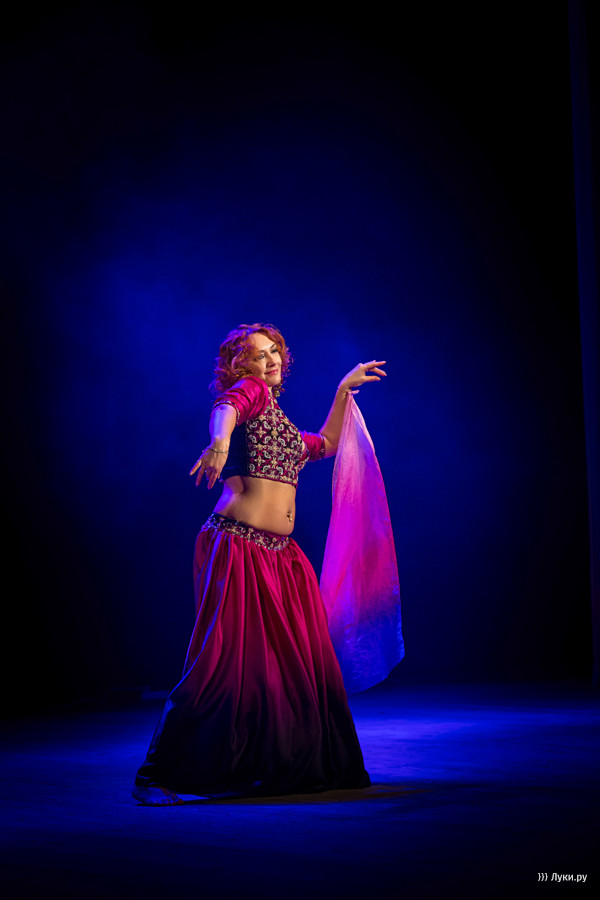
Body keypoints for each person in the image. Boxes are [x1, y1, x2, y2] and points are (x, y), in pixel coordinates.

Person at [133, 322, 387, 806]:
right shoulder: (248, 394)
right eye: (257, 354)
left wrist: (342, 392)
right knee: (222, 661)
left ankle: (276, 763)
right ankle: (156, 775)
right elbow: (225, 409)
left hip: (281, 556)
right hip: (237, 544)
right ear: (240, 365)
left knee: (292, 665)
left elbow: (326, 445)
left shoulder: (280, 422)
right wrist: (219, 443)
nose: (269, 360)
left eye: (274, 352)